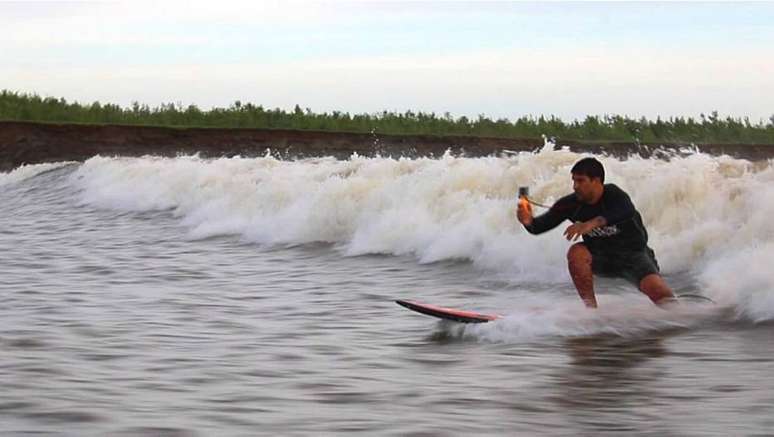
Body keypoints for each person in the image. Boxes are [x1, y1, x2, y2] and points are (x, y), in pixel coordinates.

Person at [516, 157, 675, 308]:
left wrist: (591, 224)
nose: (575, 186)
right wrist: (527, 221)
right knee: (576, 252)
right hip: (600, 257)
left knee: (662, 296)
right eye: (574, 180)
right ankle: (590, 311)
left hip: (633, 256)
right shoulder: (571, 204)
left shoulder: (614, 194)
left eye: (581, 180)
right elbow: (538, 227)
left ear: (596, 181)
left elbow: (625, 211)